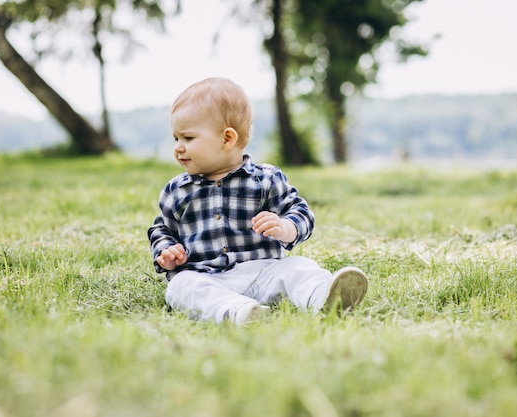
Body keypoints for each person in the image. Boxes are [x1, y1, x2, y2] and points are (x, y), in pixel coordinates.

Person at [147, 77, 367, 325]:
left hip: (263, 271)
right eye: (176, 138)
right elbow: (162, 229)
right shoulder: (177, 190)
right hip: (207, 277)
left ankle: (323, 297)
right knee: (181, 286)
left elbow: (301, 212)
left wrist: (287, 227)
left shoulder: (265, 180)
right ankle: (237, 311)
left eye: (187, 138)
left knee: (298, 267)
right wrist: (165, 250)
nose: (178, 148)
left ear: (227, 139)